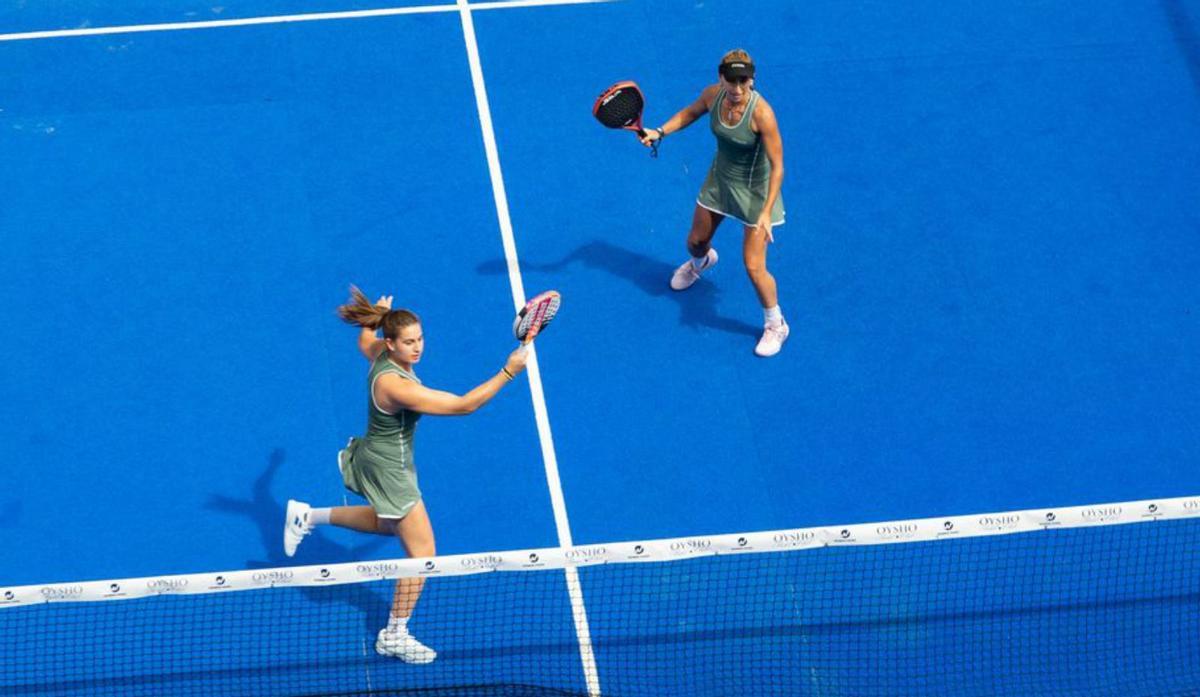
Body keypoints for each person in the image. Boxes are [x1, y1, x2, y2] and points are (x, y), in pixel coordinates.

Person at [283, 286, 533, 663]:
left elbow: (363, 338)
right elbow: (463, 405)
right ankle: (394, 634)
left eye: (420, 339)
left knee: (388, 525)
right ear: (392, 343)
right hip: (390, 469)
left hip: (376, 455)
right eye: (409, 342)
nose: (418, 348)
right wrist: (508, 372)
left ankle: (308, 515)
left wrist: (376, 315)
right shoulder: (395, 385)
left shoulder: (378, 351)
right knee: (421, 553)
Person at [639, 49, 789, 357]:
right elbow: (690, 113)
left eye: (743, 81)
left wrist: (765, 212)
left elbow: (778, 166)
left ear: (752, 79)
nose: (736, 89)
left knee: (753, 265)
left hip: (756, 194)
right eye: (730, 81)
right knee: (695, 242)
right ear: (720, 77)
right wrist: (660, 132)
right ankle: (702, 263)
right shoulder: (713, 95)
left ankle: (776, 324)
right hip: (720, 181)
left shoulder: (762, 114)